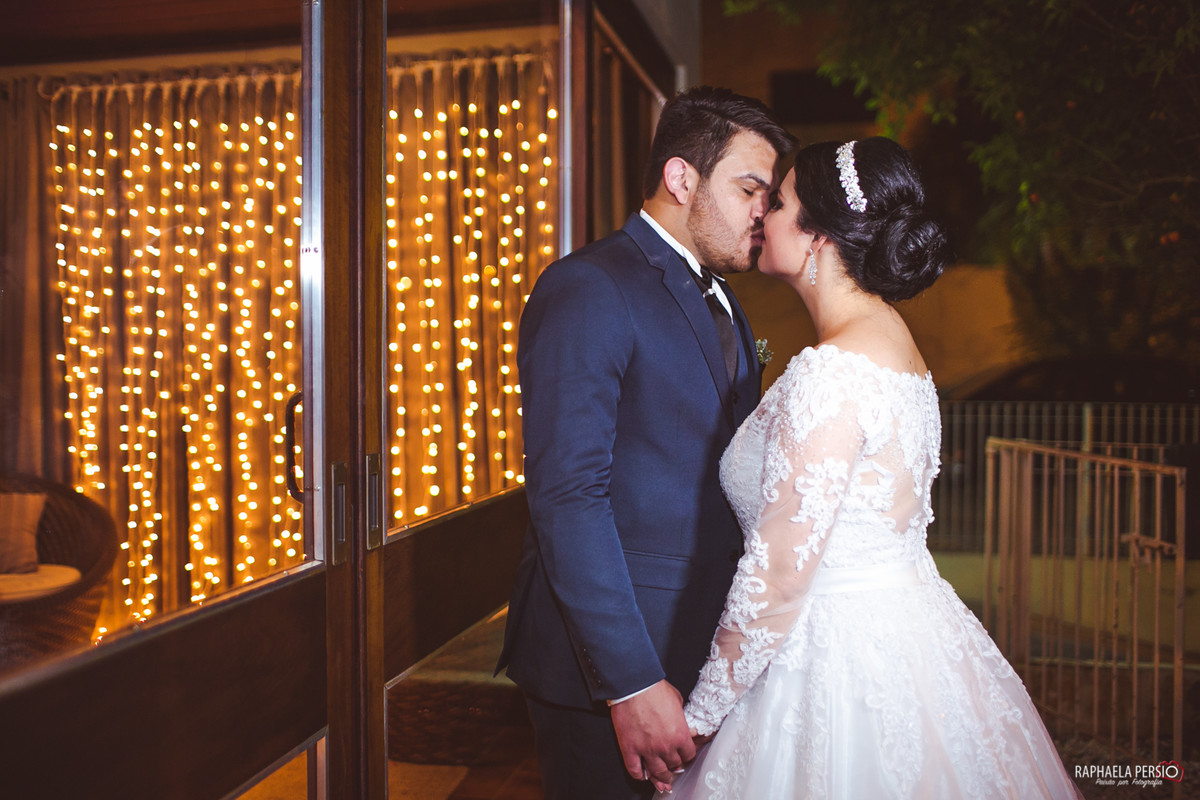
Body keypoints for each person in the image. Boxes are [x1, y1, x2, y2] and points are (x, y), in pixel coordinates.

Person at [659, 138, 1083, 799]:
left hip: (834, 658)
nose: (763, 214)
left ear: (819, 236)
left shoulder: (832, 371)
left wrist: (701, 718)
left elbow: (779, 573)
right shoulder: (897, 348)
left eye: (779, 203)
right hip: (913, 637)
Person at [496, 86, 795, 800]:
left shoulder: (724, 299)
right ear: (681, 178)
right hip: (610, 668)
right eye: (749, 188)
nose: (763, 210)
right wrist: (629, 680)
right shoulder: (589, 285)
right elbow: (569, 495)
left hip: (697, 652)